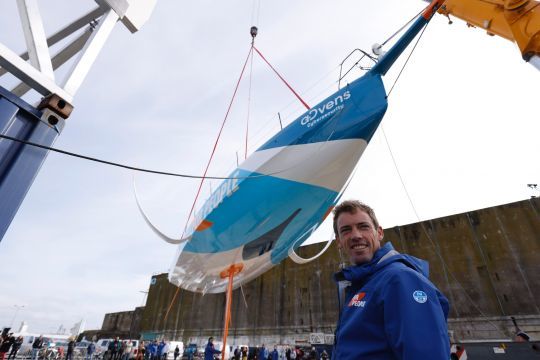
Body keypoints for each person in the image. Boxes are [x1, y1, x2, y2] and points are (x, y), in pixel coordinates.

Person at [331, 200, 450, 359]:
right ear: (339, 241)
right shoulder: (361, 283)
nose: (356, 235)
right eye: (346, 230)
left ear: (379, 232)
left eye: (363, 226)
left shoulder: (400, 279)